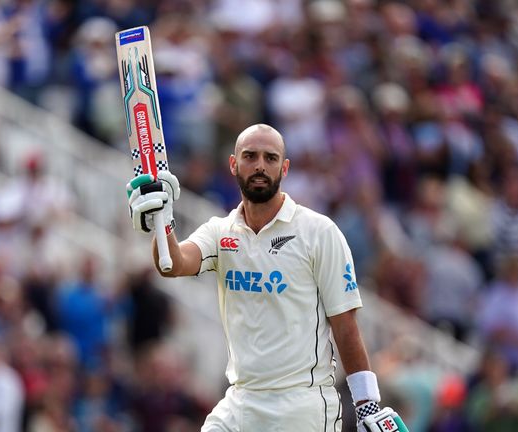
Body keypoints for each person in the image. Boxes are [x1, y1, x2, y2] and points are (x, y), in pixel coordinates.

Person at [126, 124, 408, 431]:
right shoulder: (220, 231)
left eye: (270, 158)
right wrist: (162, 221)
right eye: (250, 156)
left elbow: (345, 325)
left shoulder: (318, 232)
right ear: (233, 164)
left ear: (284, 168)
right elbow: (173, 264)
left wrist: (366, 404)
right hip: (240, 400)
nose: (260, 165)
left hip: (301, 405)